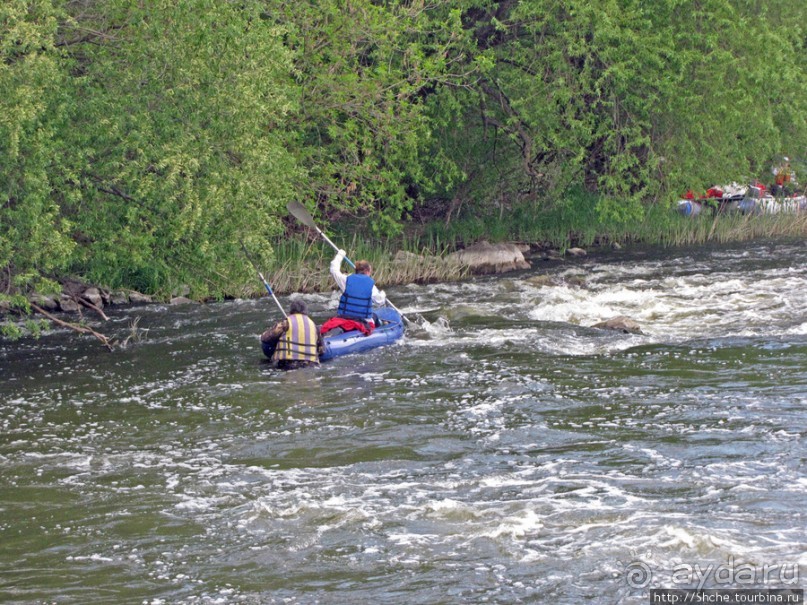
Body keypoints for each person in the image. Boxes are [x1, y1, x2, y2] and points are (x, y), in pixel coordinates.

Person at [320, 249, 386, 337]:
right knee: (374, 316)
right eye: (370, 271)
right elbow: (380, 301)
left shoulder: (346, 280)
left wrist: (340, 255)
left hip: (344, 318)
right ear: (367, 271)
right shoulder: (371, 285)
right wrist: (383, 294)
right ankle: (380, 330)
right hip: (362, 320)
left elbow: (333, 269)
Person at [260, 299, 324, 370]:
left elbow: (265, 338)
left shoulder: (285, 323)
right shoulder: (314, 325)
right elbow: (322, 351)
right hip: (311, 365)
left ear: (291, 311)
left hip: (288, 364)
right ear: (306, 311)